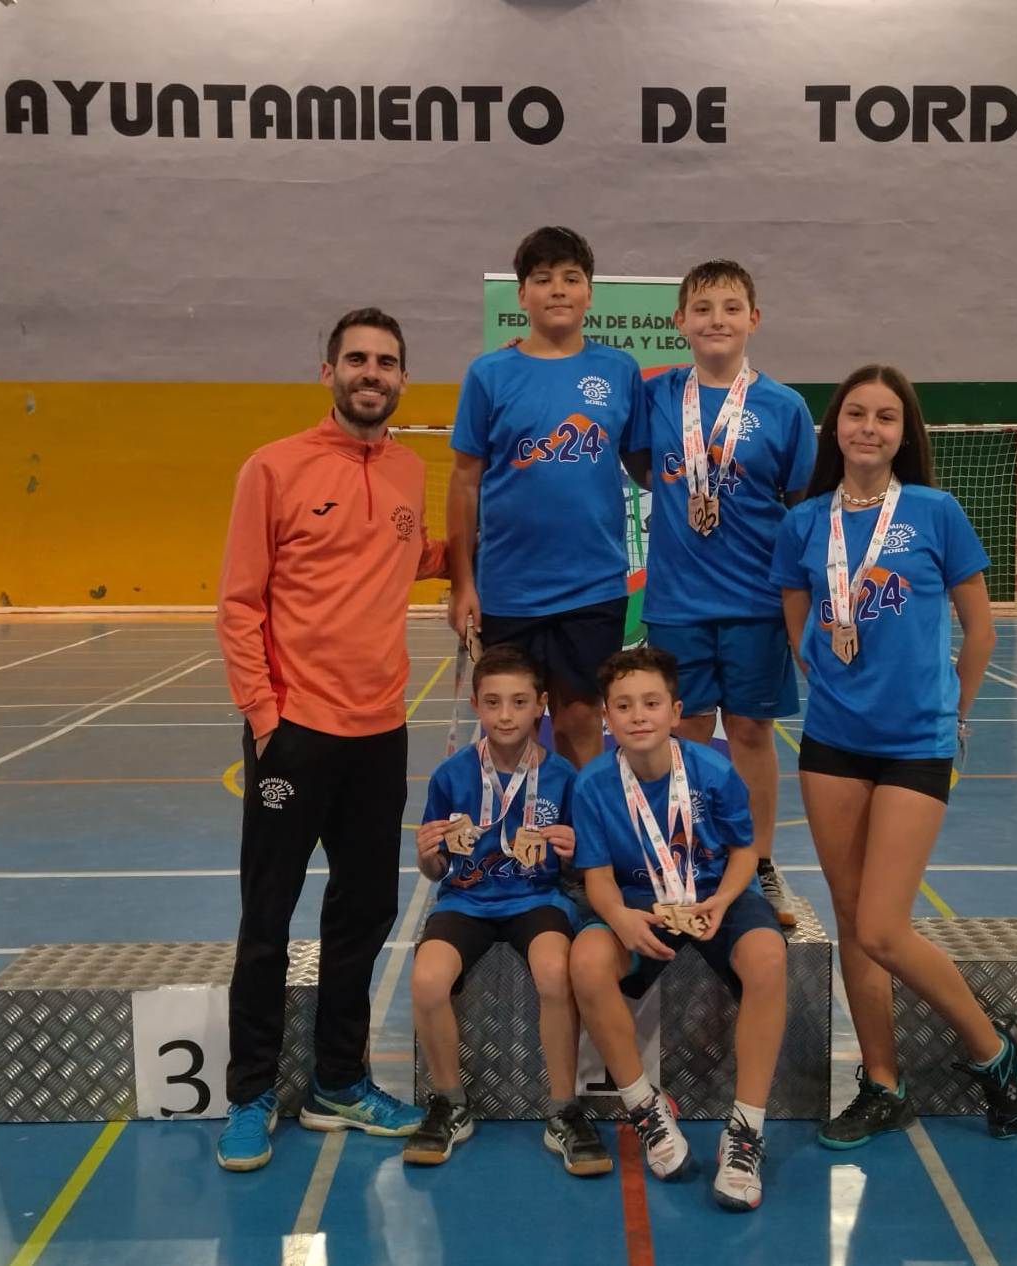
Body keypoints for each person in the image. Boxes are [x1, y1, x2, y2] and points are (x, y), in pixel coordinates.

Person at [768, 364, 1017, 1147]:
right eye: (856, 414)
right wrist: (814, 653)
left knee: (884, 926)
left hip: (917, 744)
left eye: (886, 417)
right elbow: (795, 610)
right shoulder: (805, 522)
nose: (869, 429)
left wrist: (955, 713)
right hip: (832, 747)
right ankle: (883, 1082)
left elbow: (980, 630)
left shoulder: (935, 512)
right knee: (852, 920)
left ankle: (993, 1049)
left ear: (903, 433)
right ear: (835, 428)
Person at [213, 307, 445, 1172]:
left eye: (386, 361)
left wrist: (480, 553)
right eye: (356, 359)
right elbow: (239, 603)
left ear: (400, 380)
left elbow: (406, 553)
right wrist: (266, 718)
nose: (370, 373)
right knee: (267, 918)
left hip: (380, 732)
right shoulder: (273, 468)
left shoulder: (412, 469)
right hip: (296, 733)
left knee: (363, 913)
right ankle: (249, 1094)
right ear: (328, 372)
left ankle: (339, 1083)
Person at [568, 647, 788, 1212]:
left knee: (767, 957)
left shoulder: (714, 770)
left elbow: (744, 852)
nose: (637, 715)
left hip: (714, 894)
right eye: (623, 705)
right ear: (606, 717)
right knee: (588, 962)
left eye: (650, 703)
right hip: (640, 902)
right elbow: (596, 880)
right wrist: (618, 918)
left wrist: (721, 900)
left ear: (675, 710)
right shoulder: (593, 785)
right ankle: (645, 1107)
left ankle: (745, 1133)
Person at [634, 259, 816, 927]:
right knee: (679, 731)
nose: (717, 319)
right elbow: (640, 465)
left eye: (731, 307)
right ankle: (681, 859)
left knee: (748, 732)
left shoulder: (784, 407)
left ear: (753, 319)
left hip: (756, 603)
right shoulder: (657, 396)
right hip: (678, 602)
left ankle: (760, 864)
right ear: (679, 320)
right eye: (703, 307)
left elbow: (801, 510)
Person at [445, 226, 650, 768]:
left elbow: (650, 468)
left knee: (581, 719)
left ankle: (583, 850)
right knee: (513, 729)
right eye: (542, 279)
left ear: (589, 293)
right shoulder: (490, 375)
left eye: (571, 278)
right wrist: (462, 582)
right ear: (521, 295)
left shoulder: (618, 371)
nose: (557, 289)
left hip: (593, 587)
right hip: (509, 590)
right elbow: (464, 481)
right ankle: (523, 847)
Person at [404, 645, 611, 1175]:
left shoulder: (564, 776)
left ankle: (563, 1108)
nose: (505, 715)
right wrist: (428, 855)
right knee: (427, 980)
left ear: (540, 705)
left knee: (553, 972)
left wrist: (572, 849)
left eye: (519, 702)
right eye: (493, 702)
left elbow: (579, 871)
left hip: (537, 899)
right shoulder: (451, 775)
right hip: (466, 901)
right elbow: (435, 871)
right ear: (476, 704)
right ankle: (449, 1102)